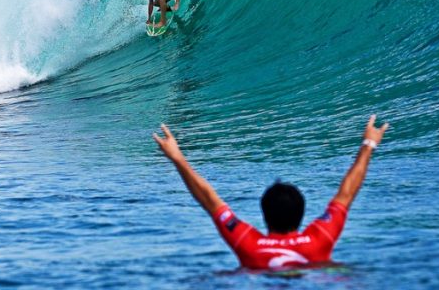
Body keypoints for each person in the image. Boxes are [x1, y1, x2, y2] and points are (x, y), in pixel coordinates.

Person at [152, 115, 389, 271]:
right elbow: (347, 192)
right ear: (302, 213)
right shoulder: (319, 238)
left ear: (264, 215)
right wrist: (369, 144)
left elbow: (209, 200)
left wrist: (177, 157)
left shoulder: (250, 244)